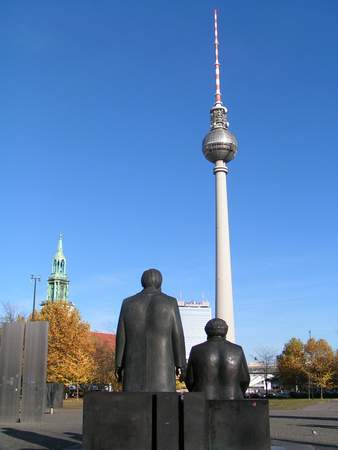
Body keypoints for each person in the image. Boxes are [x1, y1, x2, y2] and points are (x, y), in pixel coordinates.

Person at [115, 268, 186, 392]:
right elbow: (177, 334)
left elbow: (121, 336)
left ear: (142, 282)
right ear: (160, 282)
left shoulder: (128, 303)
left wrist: (118, 364)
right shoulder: (170, 302)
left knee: (134, 405)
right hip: (163, 367)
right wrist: (181, 364)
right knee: (163, 406)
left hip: (133, 367)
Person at [185, 318, 250, 400]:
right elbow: (245, 379)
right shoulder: (238, 350)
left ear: (206, 331)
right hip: (233, 399)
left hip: (203, 400)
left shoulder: (196, 350)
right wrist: (238, 393)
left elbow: (190, 380)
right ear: (226, 330)